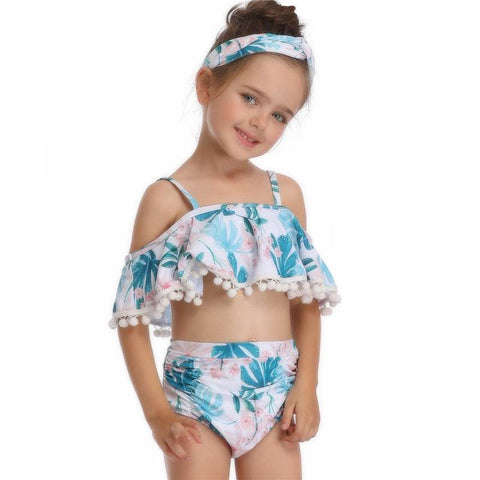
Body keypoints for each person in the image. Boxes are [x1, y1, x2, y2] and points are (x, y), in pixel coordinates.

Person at [109, 1, 341, 478]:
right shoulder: (168, 198)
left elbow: (305, 304)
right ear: (206, 85)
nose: (261, 122)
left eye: (280, 115)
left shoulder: (285, 197)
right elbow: (131, 317)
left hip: (276, 391)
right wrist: (157, 414)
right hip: (197, 396)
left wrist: (308, 386)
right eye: (250, 98)